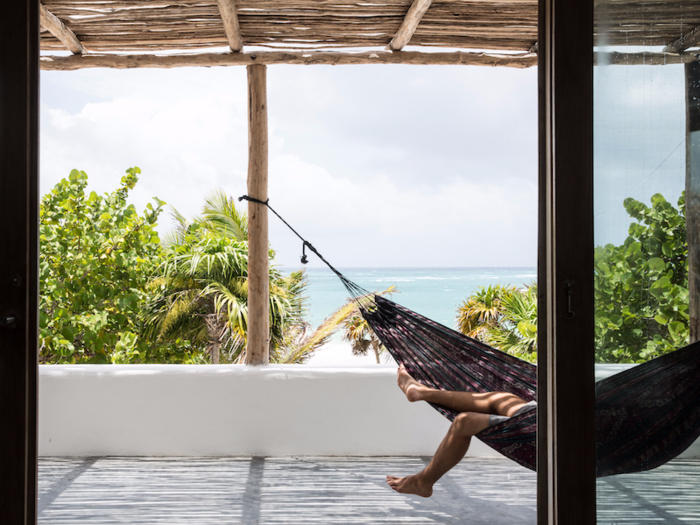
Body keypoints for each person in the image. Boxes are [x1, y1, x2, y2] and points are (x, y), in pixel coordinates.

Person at [386, 364, 536, 498]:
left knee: (465, 422)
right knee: (501, 398)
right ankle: (421, 392)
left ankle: (423, 482)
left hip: (543, 427)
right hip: (539, 414)